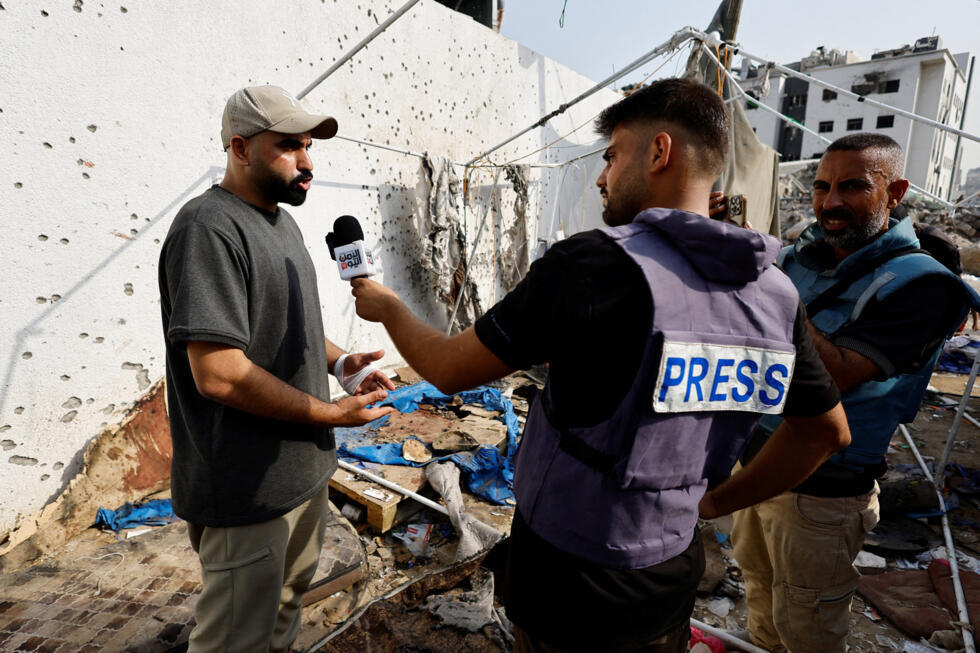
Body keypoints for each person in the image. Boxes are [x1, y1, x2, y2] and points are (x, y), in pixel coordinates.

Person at [348, 77, 851, 653]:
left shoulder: (592, 265)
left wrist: (388, 307)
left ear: (659, 152)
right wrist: (713, 503)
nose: (601, 176)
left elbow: (447, 368)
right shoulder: (775, 294)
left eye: (612, 156)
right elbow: (826, 432)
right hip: (670, 574)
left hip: (568, 576)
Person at [158, 85, 396, 653]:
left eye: (309, 146)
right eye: (289, 146)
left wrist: (339, 361)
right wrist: (331, 413)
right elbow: (217, 371)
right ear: (240, 148)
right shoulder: (208, 229)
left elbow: (281, 322)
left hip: (303, 476)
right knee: (234, 640)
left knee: (286, 611)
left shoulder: (281, 223)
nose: (307, 161)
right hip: (246, 493)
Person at [730, 133, 979, 653]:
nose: (830, 201)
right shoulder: (806, 255)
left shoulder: (925, 285)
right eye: (822, 187)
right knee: (761, 602)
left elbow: (837, 374)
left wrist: (769, 291)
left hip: (821, 497)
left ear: (895, 193)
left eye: (853, 186)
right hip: (752, 469)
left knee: (808, 630)